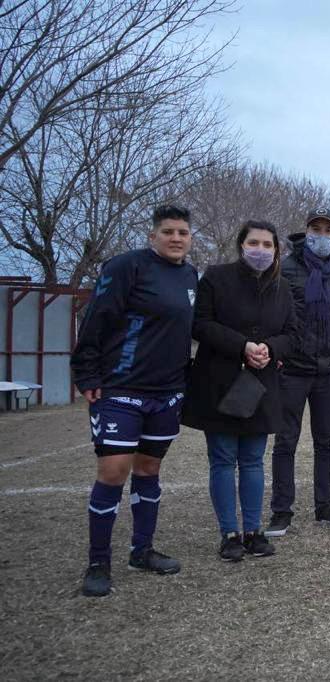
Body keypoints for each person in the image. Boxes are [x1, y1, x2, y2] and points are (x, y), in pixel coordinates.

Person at [70, 204, 198, 597]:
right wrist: (86, 373)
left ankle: (141, 551)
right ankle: (98, 562)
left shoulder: (191, 276)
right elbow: (96, 317)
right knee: (113, 472)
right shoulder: (127, 266)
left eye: (182, 233)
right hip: (120, 389)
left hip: (167, 393)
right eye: (168, 232)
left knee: (148, 469)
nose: (176, 238)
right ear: (152, 236)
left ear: (190, 239)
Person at [183, 220, 297, 560]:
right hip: (219, 383)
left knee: (252, 460)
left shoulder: (283, 288)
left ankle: (253, 531)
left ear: (276, 250)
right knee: (222, 459)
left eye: (267, 244)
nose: (261, 250)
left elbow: (292, 334)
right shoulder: (216, 278)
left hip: (260, 384)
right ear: (241, 245)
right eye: (254, 243)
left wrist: (270, 349)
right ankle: (229, 533)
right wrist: (242, 346)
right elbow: (200, 324)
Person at [266, 208, 330, 537]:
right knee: (285, 441)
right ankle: (281, 510)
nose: (322, 235)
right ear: (306, 232)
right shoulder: (284, 268)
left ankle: (325, 506)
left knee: (326, 441)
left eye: (328, 230)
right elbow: (273, 314)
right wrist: (276, 351)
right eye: (316, 229)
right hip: (292, 368)